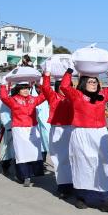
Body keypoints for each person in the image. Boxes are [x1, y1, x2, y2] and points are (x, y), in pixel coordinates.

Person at [60, 66, 108, 211]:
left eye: (95, 82)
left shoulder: (103, 95)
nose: (93, 84)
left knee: (103, 166)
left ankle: (105, 198)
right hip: (81, 133)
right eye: (90, 82)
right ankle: (81, 197)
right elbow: (64, 86)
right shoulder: (76, 95)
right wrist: (70, 70)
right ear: (83, 83)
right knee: (82, 165)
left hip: (99, 134)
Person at [0, 80, 47, 187]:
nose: (26, 90)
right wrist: (2, 85)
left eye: (27, 88)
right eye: (23, 88)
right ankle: (24, 176)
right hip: (19, 130)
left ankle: (32, 173)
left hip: (33, 129)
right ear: (18, 90)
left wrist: (41, 83)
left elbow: (45, 95)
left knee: (34, 152)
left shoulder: (33, 99)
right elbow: (3, 97)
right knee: (22, 153)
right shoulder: (13, 100)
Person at [39, 71, 75, 200]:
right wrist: (47, 74)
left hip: (73, 130)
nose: (65, 89)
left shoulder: (74, 98)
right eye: (62, 87)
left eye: (69, 86)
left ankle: (74, 184)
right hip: (58, 130)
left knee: (73, 158)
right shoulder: (53, 97)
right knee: (60, 159)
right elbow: (45, 87)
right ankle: (63, 186)